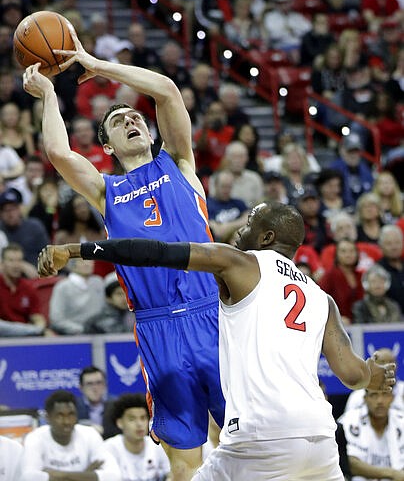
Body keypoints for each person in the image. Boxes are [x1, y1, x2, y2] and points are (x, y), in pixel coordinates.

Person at [38, 200, 396, 481]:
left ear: (267, 238)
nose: (239, 231)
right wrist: (374, 374)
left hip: (261, 436)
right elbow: (352, 375)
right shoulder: (322, 299)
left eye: (249, 224)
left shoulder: (240, 263)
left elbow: (157, 252)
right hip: (320, 440)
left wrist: (75, 250)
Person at [23, 23, 224, 481]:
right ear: (107, 147)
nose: (132, 120)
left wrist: (95, 65)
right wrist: (50, 94)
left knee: (243, 436)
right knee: (185, 458)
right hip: (157, 326)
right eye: (118, 121)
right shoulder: (105, 191)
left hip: (211, 313)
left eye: (135, 117)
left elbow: (169, 92)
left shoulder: (180, 164)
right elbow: (57, 151)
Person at [20, 390, 121, 481]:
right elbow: (29, 477)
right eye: (60, 416)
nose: (67, 421)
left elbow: (114, 476)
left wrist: (59, 475)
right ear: (48, 418)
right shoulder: (35, 438)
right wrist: (86, 474)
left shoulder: (90, 434)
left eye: (71, 414)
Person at [339, 385, 404, 479]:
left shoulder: (401, 421)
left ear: (392, 398)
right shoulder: (349, 421)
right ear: (365, 399)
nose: (380, 401)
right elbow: (348, 463)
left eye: (385, 394)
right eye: (374, 395)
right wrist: (391, 473)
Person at [104, 393, 171, 481]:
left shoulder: (158, 446)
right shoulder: (109, 448)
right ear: (120, 423)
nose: (139, 424)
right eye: (132, 419)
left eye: (143, 418)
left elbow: (172, 474)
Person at [344, 348, 404, 414]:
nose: (388, 366)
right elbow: (348, 420)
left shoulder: (402, 389)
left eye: (391, 362)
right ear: (375, 365)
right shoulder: (358, 395)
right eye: (382, 362)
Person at [75, 366, 120, 440]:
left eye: (99, 383)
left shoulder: (116, 405)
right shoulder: (74, 406)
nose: (95, 388)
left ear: (105, 385)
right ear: (81, 387)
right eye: (89, 384)